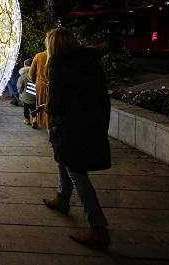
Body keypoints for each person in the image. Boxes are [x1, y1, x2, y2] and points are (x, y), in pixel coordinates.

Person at [42, 28, 111, 249]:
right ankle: (62, 198)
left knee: (77, 174)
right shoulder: (90, 63)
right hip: (92, 124)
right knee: (63, 159)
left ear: (53, 45)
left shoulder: (58, 65)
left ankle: (98, 228)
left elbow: (57, 102)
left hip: (72, 127)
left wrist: (49, 108)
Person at [29, 35, 51, 129]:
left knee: (43, 105)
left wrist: (34, 80)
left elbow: (31, 74)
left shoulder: (39, 56)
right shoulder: (65, 57)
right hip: (58, 86)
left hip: (42, 86)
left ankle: (46, 125)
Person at [16, 59, 36, 126]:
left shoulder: (23, 76)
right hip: (35, 96)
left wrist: (20, 92)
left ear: (25, 66)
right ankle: (34, 119)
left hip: (25, 96)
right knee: (33, 108)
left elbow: (19, 86)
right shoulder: (36, 75)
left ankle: (27, 120)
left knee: (26, 108)